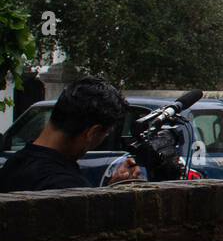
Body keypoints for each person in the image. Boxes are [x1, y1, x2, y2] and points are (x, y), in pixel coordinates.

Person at [0, 77, 140, 192]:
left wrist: (109, 189)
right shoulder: (66, 186)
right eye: (105, 134)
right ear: (93, 132)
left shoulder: (13, 164)